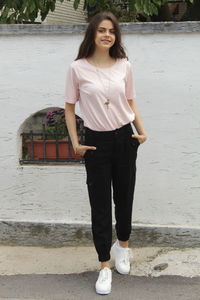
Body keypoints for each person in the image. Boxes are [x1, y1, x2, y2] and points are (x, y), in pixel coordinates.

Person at [64, 11, 147, 295]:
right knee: (100, 206)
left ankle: (123, 245)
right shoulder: (77, 68)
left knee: (124, 197)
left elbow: (131, 101)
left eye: (111, 31)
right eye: (101, 30)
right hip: (95, 142)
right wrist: (76, 142)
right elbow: (69, 108)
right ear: (92, 34)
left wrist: (142, 131)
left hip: (125, 138)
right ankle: (103, 266)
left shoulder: (124, 65)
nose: (106, 35)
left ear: (116, 36)